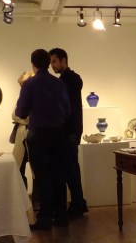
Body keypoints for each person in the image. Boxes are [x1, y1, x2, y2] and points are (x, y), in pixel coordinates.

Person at [15, 49, 71, 230]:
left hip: (39, 134)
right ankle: (61, 216)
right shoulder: (59, 83)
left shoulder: (29, 85)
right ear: (48, 63)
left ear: (33, 64)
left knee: (43, 176)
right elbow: (67, 111)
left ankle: (45, 218)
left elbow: (21, 112)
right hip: (59, 134)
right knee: (59, 175)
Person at [49, 47, 88, 218]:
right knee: (71, 168)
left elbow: (67, 108)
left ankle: (78, 204)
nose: (52, 65)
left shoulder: (67, 79)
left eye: (54, 61)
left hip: (69, 131)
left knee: (70, 169)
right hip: (72, 130)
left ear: (63, 60)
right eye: (51, 62)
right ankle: (78, 203)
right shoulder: (71, 79)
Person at [11, 70, 33, 188]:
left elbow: (33, 117)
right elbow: (14, 115)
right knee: (19, 168)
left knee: (36, 171)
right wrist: (26, 120)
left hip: (34, 136)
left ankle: (37, 197)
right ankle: (21, 195)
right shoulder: (22, 98)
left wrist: (23, 119)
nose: (23, 88)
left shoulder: (38, 97)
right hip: (21, 136)